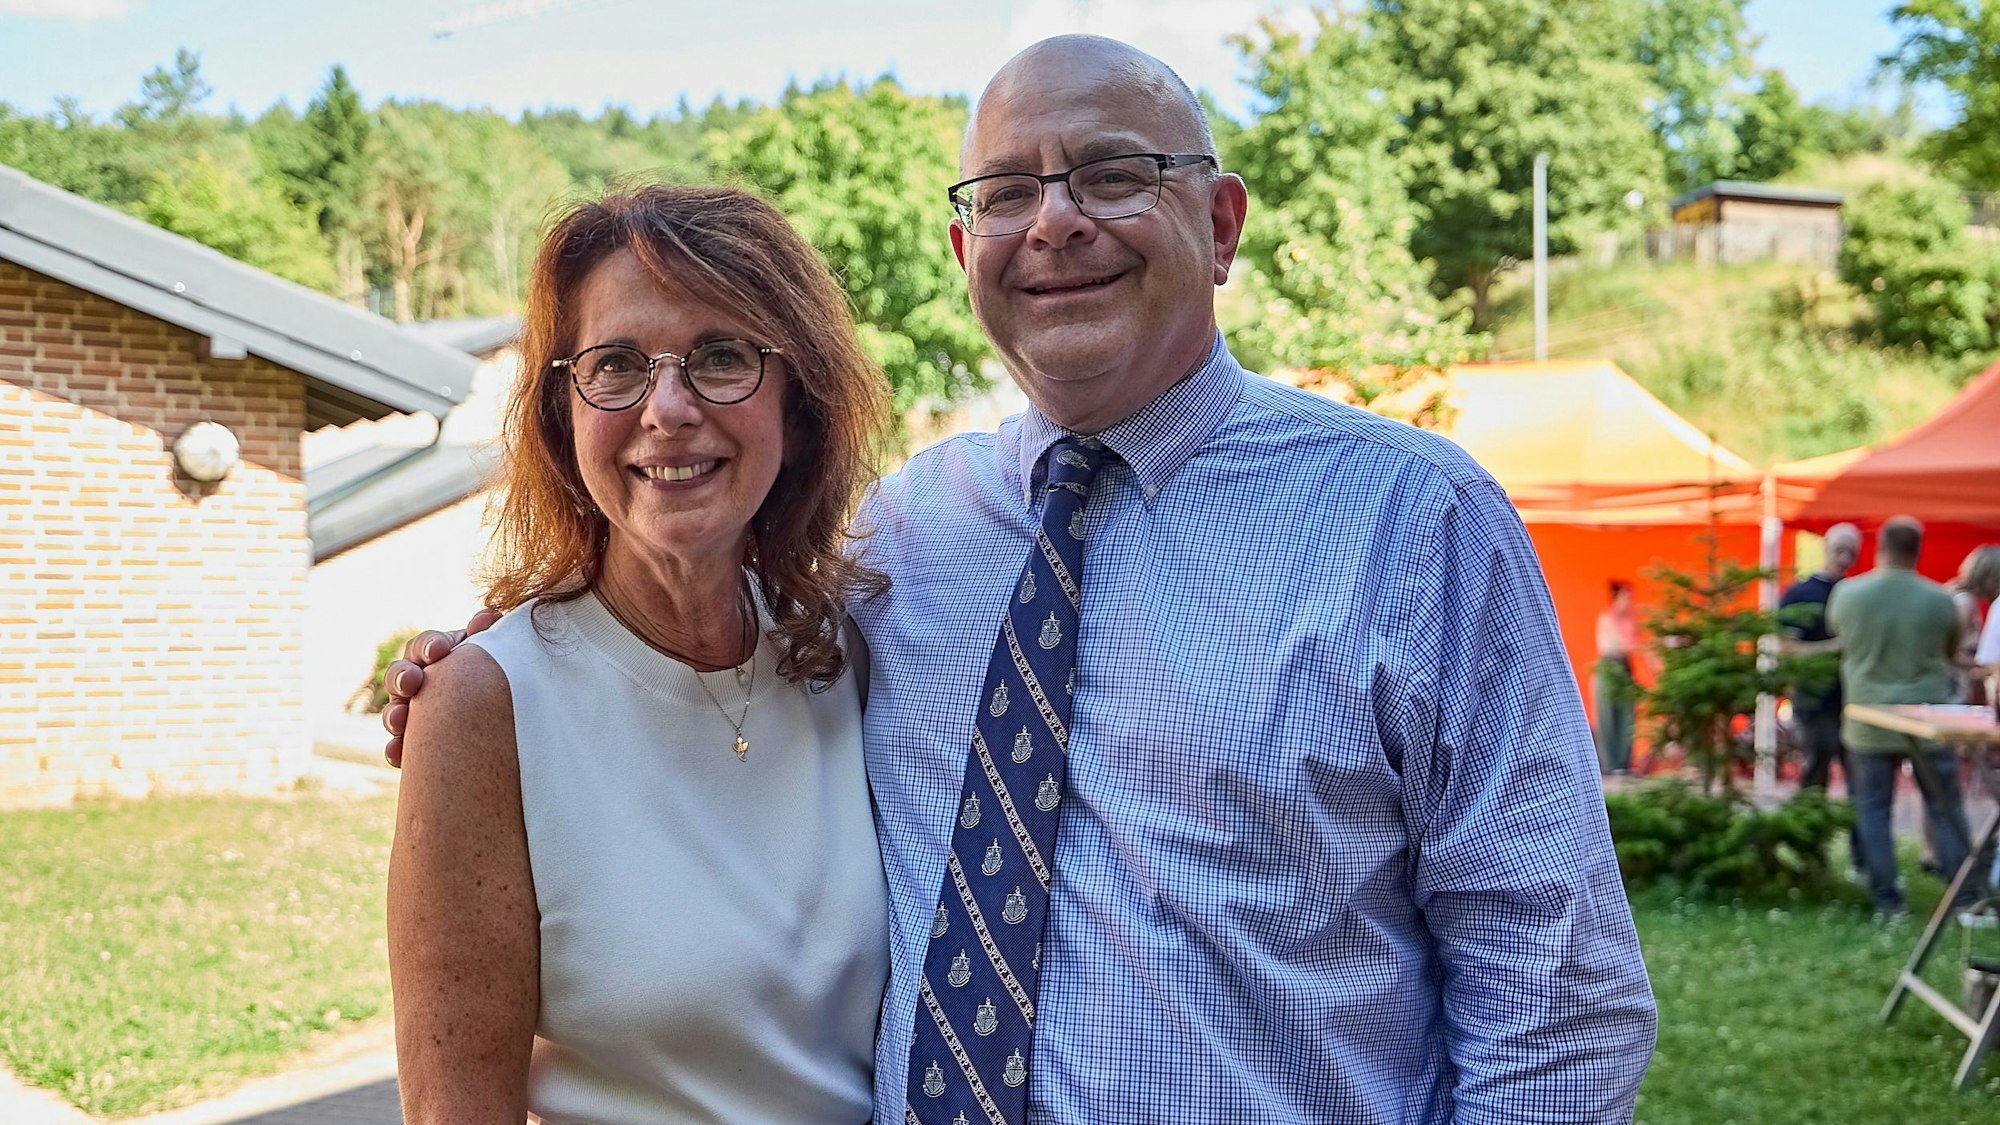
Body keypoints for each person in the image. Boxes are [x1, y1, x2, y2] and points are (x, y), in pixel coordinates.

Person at [386, 35, 1656, 1121]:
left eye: (1111, 175)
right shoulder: (903, 542)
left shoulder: (1411, 523)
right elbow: (657, 623)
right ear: (962, 248)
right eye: (1006, 192)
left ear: (1218, 226)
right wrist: (484, 664)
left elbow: (1557, 995)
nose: (1053, 222)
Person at [387, 184, 892, 1122]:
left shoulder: (847, 656)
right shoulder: (482, 707)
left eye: (720, 356)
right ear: (562, 412)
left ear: (799, 400)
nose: (668, 408)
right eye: (616, 364)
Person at [1827, 516, 1971, 921]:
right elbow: (1950, 651)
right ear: (1917, 550)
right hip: (1929, 719)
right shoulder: (1940, 600)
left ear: (1879, 547)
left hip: (1867, 717)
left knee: (1873, 808)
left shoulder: (1848, 594)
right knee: (1944, 806)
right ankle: (1966, 899)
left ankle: (1887, 901)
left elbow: (1839, 635)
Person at [1777, 523, 1862, 792]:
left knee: (1858, 778)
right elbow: (1785, 647)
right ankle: (1810, 830)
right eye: (1839, 551)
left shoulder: (1855, 594)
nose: (1845, 559)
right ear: (1825, 548)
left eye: (1852, 553)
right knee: (1815, 773)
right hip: (1814, 700)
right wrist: (1834, 647)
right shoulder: (1799, 595)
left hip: (1851, 698)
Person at [1593, 579, 1640, 775]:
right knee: (1608, 715)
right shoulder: (1606, 619)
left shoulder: (1631, 621)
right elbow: (1623, 644)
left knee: (1626, 714)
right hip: (1609, 667)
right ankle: (1609, 764)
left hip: (1625, 667)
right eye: (1625, 597)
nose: (1629, 601)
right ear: (1615, 597)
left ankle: (1623, 763)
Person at [1947, 545, 2000, 705]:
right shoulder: (1965, 602)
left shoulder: (1965, 599)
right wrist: (1986, 666)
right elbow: (1951, 653)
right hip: (1957, 687)